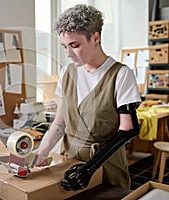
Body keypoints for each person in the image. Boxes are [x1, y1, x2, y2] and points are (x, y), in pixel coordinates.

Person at [35, 4, 141, 190]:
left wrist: (91, 167)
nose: (68, 54)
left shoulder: (120, 75)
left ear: (95, 37)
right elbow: (60, 123)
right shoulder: (67, 73)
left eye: (75, 45)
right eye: (64, 47)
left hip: (105, 163)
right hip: (70, 160)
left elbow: (128, 129)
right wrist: (41, 153)